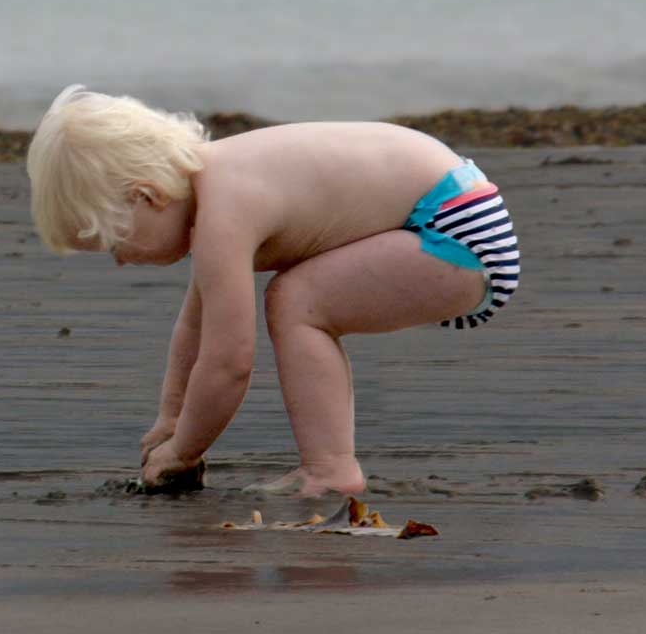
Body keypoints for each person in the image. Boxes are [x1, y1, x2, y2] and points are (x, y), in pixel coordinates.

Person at [25, 85, 521, 496]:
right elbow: (195, 330)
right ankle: (329, 464)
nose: (119, 260)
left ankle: (331, 471)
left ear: (146, 195)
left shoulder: (224, 211)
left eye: (114, 241)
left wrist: (183, 452)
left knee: (297, 302)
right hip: (455, 208)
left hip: (454, 230)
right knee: (298, 298)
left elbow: (229, 362)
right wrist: (171, 419)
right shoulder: (215, 184)